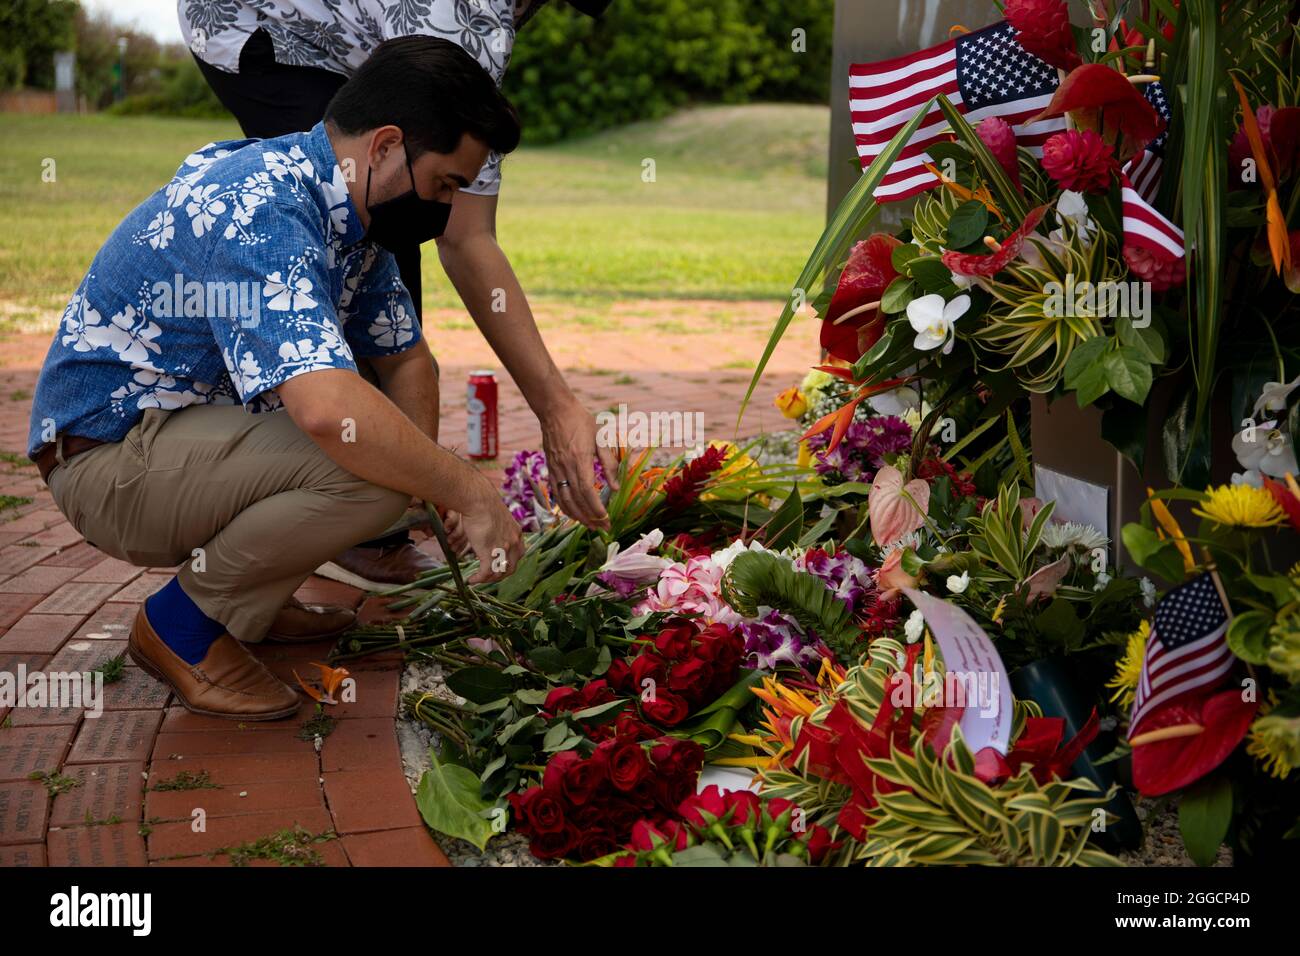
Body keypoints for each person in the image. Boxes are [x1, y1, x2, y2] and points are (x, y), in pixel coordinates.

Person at [27, 37, 525, 720]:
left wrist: (429, 487)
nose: (443, 207)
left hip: (167, 441)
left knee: (386, 459)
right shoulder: (259, 203)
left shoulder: (351, 217)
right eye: (443, 183)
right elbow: (324, 410)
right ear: (384, 146)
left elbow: (406, 358)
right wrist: (460, 487)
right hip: (108, 462)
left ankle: (250, 602)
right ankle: (180, 629)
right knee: (368, 465)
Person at [179, 0, 618, 589]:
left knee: (388, 232)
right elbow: (464, 239)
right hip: (254, 27)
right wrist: (530, 430)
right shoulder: (465, 15)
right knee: (372, 214)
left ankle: (391, 494)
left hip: (334, 45)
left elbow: (449, 267)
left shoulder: (477, 27)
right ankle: (355, 524)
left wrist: (430, 478)